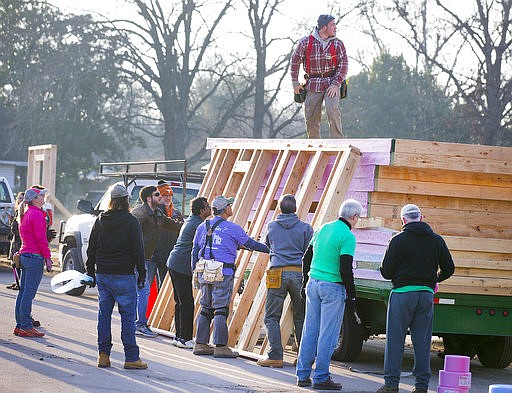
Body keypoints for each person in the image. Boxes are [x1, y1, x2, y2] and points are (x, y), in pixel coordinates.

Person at [377, 204, 455, 393]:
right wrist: (433, 280)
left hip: (402, 295)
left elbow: (386, 272)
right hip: (425, 296)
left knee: (395, 340)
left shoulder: (397, 240)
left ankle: (391, 384)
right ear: (421, 217)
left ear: (403, 220)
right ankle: (421, 386)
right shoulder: (437, 240)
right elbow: (449, 268)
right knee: (422, 341)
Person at [191, 195, 269, 358]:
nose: (231, 207)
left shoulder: (203, 226)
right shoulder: (233, 228)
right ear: (225, 209)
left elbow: (195, 249)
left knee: (206, 307)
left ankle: (200, 344)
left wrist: (194, 271)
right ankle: (220, 346)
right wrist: (271, 249)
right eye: (230, 205)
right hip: (223, 272)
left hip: (205, 270)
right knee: (220, 309)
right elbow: (251, 244)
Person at [296, 199, 362, 390]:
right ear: (354, 217)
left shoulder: (323, 228)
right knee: (328, 334)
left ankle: (302, 375)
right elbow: (345, 268)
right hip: (332, 287)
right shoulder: (348, 236)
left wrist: (305, 281)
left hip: (313, 283)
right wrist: (352, 295)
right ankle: (321, 377)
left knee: (310, 330)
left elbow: (306, 257)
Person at [86, 184, 148, 369]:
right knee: (127, 318)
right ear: (126, 201)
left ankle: (103, 356)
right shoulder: (131, 221)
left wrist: (90, 270)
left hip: (103, 273)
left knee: (103, 316)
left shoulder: (100, 219)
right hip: (124, 274)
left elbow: (92, 246)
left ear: (111, 201)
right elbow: (138, 249)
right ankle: (131, 358)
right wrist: (142, 273)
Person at [257, 194, 313, 368]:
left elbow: (268, 246)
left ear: (279, 209)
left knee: (272, 316)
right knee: (300, 315)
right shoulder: (306, 228)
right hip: (298, 274)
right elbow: (309, 250)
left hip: (277, 272)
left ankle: (275, 356)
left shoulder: (271, 226)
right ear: (295, 209)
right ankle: (303, 357)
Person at [131, 185, 183, 337]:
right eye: (157, 194)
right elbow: (129, 237)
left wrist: (193, 225)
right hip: (137, 259)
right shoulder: (138, 214)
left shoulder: (158, 213)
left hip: (147, 258)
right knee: (142, 290)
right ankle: (139, 324)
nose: (161, 197)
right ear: (148, 198)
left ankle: (135, 323)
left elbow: (173, 226)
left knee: (140, 290)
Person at [290, 14, 348, 139]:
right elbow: (294, 61)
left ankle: (338, 143)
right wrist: (295, 82)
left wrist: (336, 84)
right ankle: (314, 146)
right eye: (333, 24)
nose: (335, 27)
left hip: (332, 82)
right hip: (312, 83)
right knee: (311, 117)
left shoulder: (338, 44)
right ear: (324, 27)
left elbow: (343, 66)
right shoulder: (305, 42)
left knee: (332, 109)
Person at [167, 196, 211, 349]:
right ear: (202, 210)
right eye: (208, 206)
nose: (210, 208)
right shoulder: (199, 225)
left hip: (175, 262)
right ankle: (185, 338)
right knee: (186, 302)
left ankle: (179, 336)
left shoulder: (191, 220)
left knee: (180, 301)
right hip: (181, 264)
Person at [14, 187, 53, 338]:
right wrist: (48, 257)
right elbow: (41, 239)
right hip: (34, 257)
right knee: (28, 294)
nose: (44, 198)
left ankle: (20, 325)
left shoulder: (26, 213)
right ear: (34, 199)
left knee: (23, 292)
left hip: (25, 255)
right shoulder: (36, 215)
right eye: (41, 196)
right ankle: (25, 326)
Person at [150, 180, 183, 290]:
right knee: (146, 287)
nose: (168, 198)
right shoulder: (153, 212)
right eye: (165, 195)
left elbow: (181, 234)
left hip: (169, 255)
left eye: (170, 195)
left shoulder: (176, 213)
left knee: (164, 288)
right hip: (153, 255)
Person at [7, 192, 25, 290]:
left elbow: (19, 228)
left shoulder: (24, 212)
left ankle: (20, 283)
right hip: (14, 241)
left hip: (20, 242)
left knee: (19, 264)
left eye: (23, 198)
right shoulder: (17, 211)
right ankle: (16, 282)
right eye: (19, 198)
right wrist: (11, 220)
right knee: (14, 263)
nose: (20, 200)